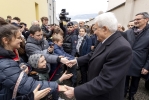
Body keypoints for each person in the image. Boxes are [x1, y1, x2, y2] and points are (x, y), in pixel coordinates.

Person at [64, 12, 132, 100]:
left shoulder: (121, 48)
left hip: (105, 96)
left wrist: (76, 91)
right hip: (97, 92)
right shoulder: (106, 39)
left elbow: (106, 81)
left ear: (104, 29)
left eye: (95, 29)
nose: (94, 32)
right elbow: (94, 53)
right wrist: (76, 61)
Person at [0, 24, 67, 100]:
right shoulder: (4, 63)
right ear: (5, 40)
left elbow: (22, 64)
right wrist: (58, 87)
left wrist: (25, 66)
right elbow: (26, 84)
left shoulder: (13, 54)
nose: (21, 40)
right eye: (18, 38)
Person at [124, 12, 149, 100]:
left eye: (138, 19)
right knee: (124, 80)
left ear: (146, 20)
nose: (136, 21)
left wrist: (146, 67)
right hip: (126, 61)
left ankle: (131, 95)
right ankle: (123, 93)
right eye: (135, 19)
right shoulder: (128, 32)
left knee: (135, 81)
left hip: (139, 63)